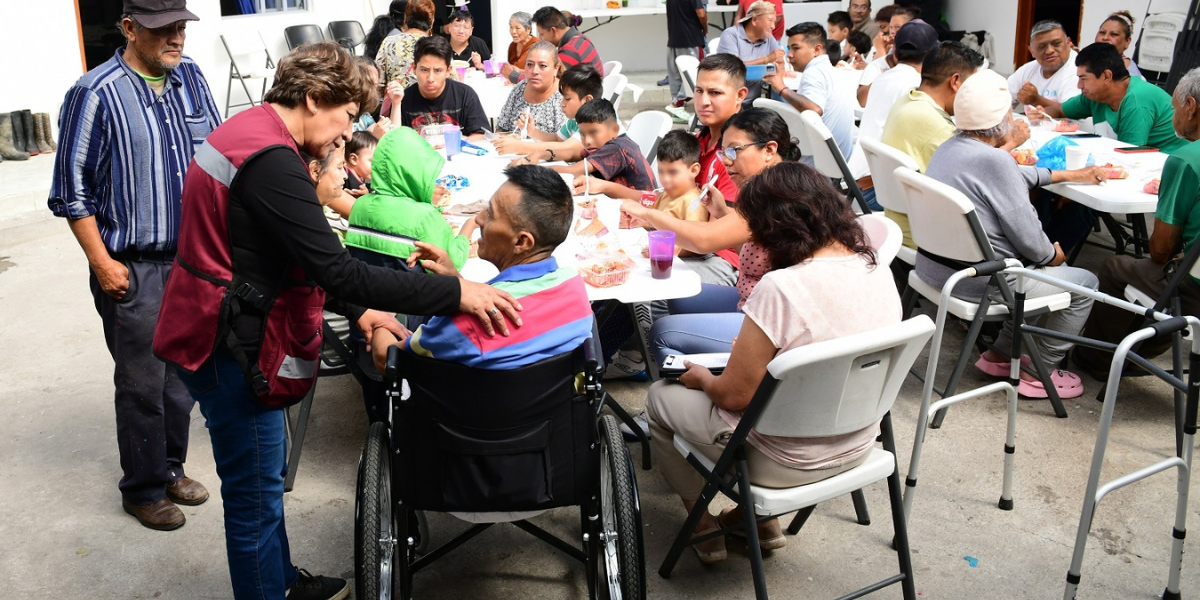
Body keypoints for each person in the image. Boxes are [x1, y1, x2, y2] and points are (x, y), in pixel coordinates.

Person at [153, 42, 522, 600]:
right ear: (312, 98)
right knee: (254, 497)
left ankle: (281, 583)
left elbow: (294, 255)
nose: (346, 135)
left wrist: (361, 311)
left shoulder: (249, 129)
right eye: (347, 116)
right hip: (228, 344)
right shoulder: (273, 163)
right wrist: (453, 291)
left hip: (212, 323)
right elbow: (337, 269)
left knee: (261, 483)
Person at [646, 161, 900, 564]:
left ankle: (703, 528)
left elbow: (733, 396)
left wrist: (703, 379)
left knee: (659, 397)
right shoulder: (875, 267)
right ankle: (759, 522)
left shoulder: (781, 286)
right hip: (859, 444)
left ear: (773, 229)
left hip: (782, 460)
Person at [47, 0, 219, 532]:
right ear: (128, 28)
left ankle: (170, 469)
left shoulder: (191, 78)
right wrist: (102, 262)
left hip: (190, 261)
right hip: (133, 266)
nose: (177, 37)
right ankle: (142, 489)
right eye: (162, 28)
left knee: (181, 381)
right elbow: (71, 191)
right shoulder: (94, 93)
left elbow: (218, 156)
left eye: (181, 26)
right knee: (143, 384)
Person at [919, 69, 1107, 399]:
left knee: (1026, 270)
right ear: (1002, 118)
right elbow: (1031, 242)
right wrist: (1052, 255)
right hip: (980, 282)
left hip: (937, 270)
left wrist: (1071, 175)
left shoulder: (950, 148)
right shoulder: (994, 162)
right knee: (1083, 283)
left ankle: (1001, 354)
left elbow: (1015, 175)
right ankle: (1040, 371)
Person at [624, 108, 802, 366]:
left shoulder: (774, 194)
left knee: (662, 332)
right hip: (754, 299)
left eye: (734, 151)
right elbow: (753, 246)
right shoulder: (770, 186)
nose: (727, 161)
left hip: (775, 318)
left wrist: (649, 214)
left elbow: (703, 241)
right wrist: (721, 213)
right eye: (723, 152)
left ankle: (696, 381)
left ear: (769, 150)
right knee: (672, 293)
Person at [372, 164, 593, 371]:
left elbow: (386, 360)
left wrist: (380, 317)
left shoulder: (472, 322)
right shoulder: (576, 288)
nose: (478, 219)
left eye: (491, 213)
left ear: (521, 241)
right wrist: (458, 282)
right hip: (549, 400)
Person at [1075, 67, 1200, 378]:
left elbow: (1160, 250)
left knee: (1116, 267)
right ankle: (1134, 353)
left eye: (1174, 108)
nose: (1173, 117)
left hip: (1195, 290)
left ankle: (1098, 360)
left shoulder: (1187, 159)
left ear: (1191, 107)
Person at [879, 41, 990, 249]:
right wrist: (1010, 142)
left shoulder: (909, 100)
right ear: (955, 81)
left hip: (902, 225)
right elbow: (981, 173)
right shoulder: (935, 124)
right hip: (928, 239)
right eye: (970, 86)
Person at [345, 126, 471, 269]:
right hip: (415, 283)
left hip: (369, 282)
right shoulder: (426, 216)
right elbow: (453, 264)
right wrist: (470, 226)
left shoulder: (359, 205)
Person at [1034, 42, 1185, 153]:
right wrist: (1041, 114)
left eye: (1083, 78)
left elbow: (1129, 155)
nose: (1079, 85)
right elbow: (1059, 110)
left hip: (1167, 167)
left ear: (1106, 76)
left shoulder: (1135, 102)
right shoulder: (1094, 95)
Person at [764, 22, 853, 162]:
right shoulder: (831, 70)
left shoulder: (814, 72)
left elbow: (814, 108)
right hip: (837, 162)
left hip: (817, 166)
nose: (789, 55)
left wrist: (781, 88)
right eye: (789, 49)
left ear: (817, 49)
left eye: (796, 48)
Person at [501, 64, 603, 160]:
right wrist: (533, 132)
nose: (562, 104)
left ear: (587, 100)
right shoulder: (574, 121)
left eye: (567, 99)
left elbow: (565, 148)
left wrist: (519, 146)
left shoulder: (594, 123)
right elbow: (556, 138)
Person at [553, 99, 657, 193]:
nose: (587, 141)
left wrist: (542, 169)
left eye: (594, 132)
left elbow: (572, 171)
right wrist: (546, 153)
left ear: (614, 130)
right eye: (582, 134)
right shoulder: (601, 145)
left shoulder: (616, 148)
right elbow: (572, 154)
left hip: (641, 205)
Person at [860, 18, 937, 141]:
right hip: (887, 152)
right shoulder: (918, 86)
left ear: (895, 53)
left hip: (863, 151)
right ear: (933, 57)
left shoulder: (880, 79)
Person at [399, 35, 489, 138]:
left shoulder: (465, 95)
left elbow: (481, 136)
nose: (430, 78)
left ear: (448, 71)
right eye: (424, 70)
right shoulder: (403, 100)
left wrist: (457, 141)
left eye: (438, 71)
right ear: (414, 68)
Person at [1007, 20, 1080, 114]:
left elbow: (1071, 113)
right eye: (1041, 46)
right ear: (1032, 51)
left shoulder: (1079, 69)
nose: (1049, 51)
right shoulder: (1028, 69)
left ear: (1068, 43)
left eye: (1056, 43)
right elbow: (1002, 100)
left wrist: (1036, 100)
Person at [496, 41, 567, 135]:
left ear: (556, 68)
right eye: (530, 64)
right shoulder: (520, 88)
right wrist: (509, 139)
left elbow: (564, 141)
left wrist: (521, 142)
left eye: (542, 66)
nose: (534, 71)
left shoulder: (564, 96)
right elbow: (501, 129)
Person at [856, 5, 916, 107]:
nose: (892, 32)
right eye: (891, 27)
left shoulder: (915, 54)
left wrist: (880, 50)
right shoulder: (884, 47)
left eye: (898, 27)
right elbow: (863, 99)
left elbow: (891, 82)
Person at [376, 0, 435, 89]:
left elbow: (378, 79)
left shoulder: (389, 42)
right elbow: (452, 79)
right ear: (432, 22)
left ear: (405, 19)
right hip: (429, 97)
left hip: (396, 96)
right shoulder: (437, 45)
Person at [533, 6, 604, 76]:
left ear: (553, 31)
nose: (540, 38)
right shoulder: (580, 38)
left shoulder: (569, 51)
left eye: (541, 34)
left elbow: (551, 79)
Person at [665, 0, 708, 114]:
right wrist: (705, 28)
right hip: (691, 40)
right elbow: (701, 14)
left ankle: (676, 105)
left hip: (674, 40)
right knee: (697, 72)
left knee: (675, 75)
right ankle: (677, 103)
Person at [717, 1, 783, 71]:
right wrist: (766, 59)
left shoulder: (768, 37)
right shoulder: (730, 35)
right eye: (770, 20)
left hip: (762, 78)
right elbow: (733, 68)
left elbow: (781, 63)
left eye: (774, 21)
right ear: (754, 20)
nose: (773, 26)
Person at [1094, 11, 1143, 80]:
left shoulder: (1129, 75)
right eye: (1102, 32)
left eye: (1114, 34)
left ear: (1127, 41)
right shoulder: (1090, 64)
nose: (1105, 38)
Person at [502, 11, 539, 83]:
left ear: (528, 29)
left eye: (517, 28)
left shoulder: (537, 46)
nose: (513, 32)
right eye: (511, 27)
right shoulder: (512, 45)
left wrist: (517, 71)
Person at [344, 130, 377, 195]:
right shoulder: (344, 175)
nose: (376, 166)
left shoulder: (360, 176)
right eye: (373, 161)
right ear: (354, 159)